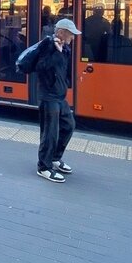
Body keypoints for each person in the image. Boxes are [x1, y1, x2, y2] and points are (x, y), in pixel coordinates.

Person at [32, 18, 80, 183]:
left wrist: (62, 51)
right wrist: (57, 52)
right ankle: (44, 167)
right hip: (48, 97)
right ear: (61, 32)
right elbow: (41, 67)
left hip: (59, 97)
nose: (73, 37)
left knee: (69, 125)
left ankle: (54, 157)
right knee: (50, 133)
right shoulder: (48, 46)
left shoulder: (63, 47)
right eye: (71, 34)